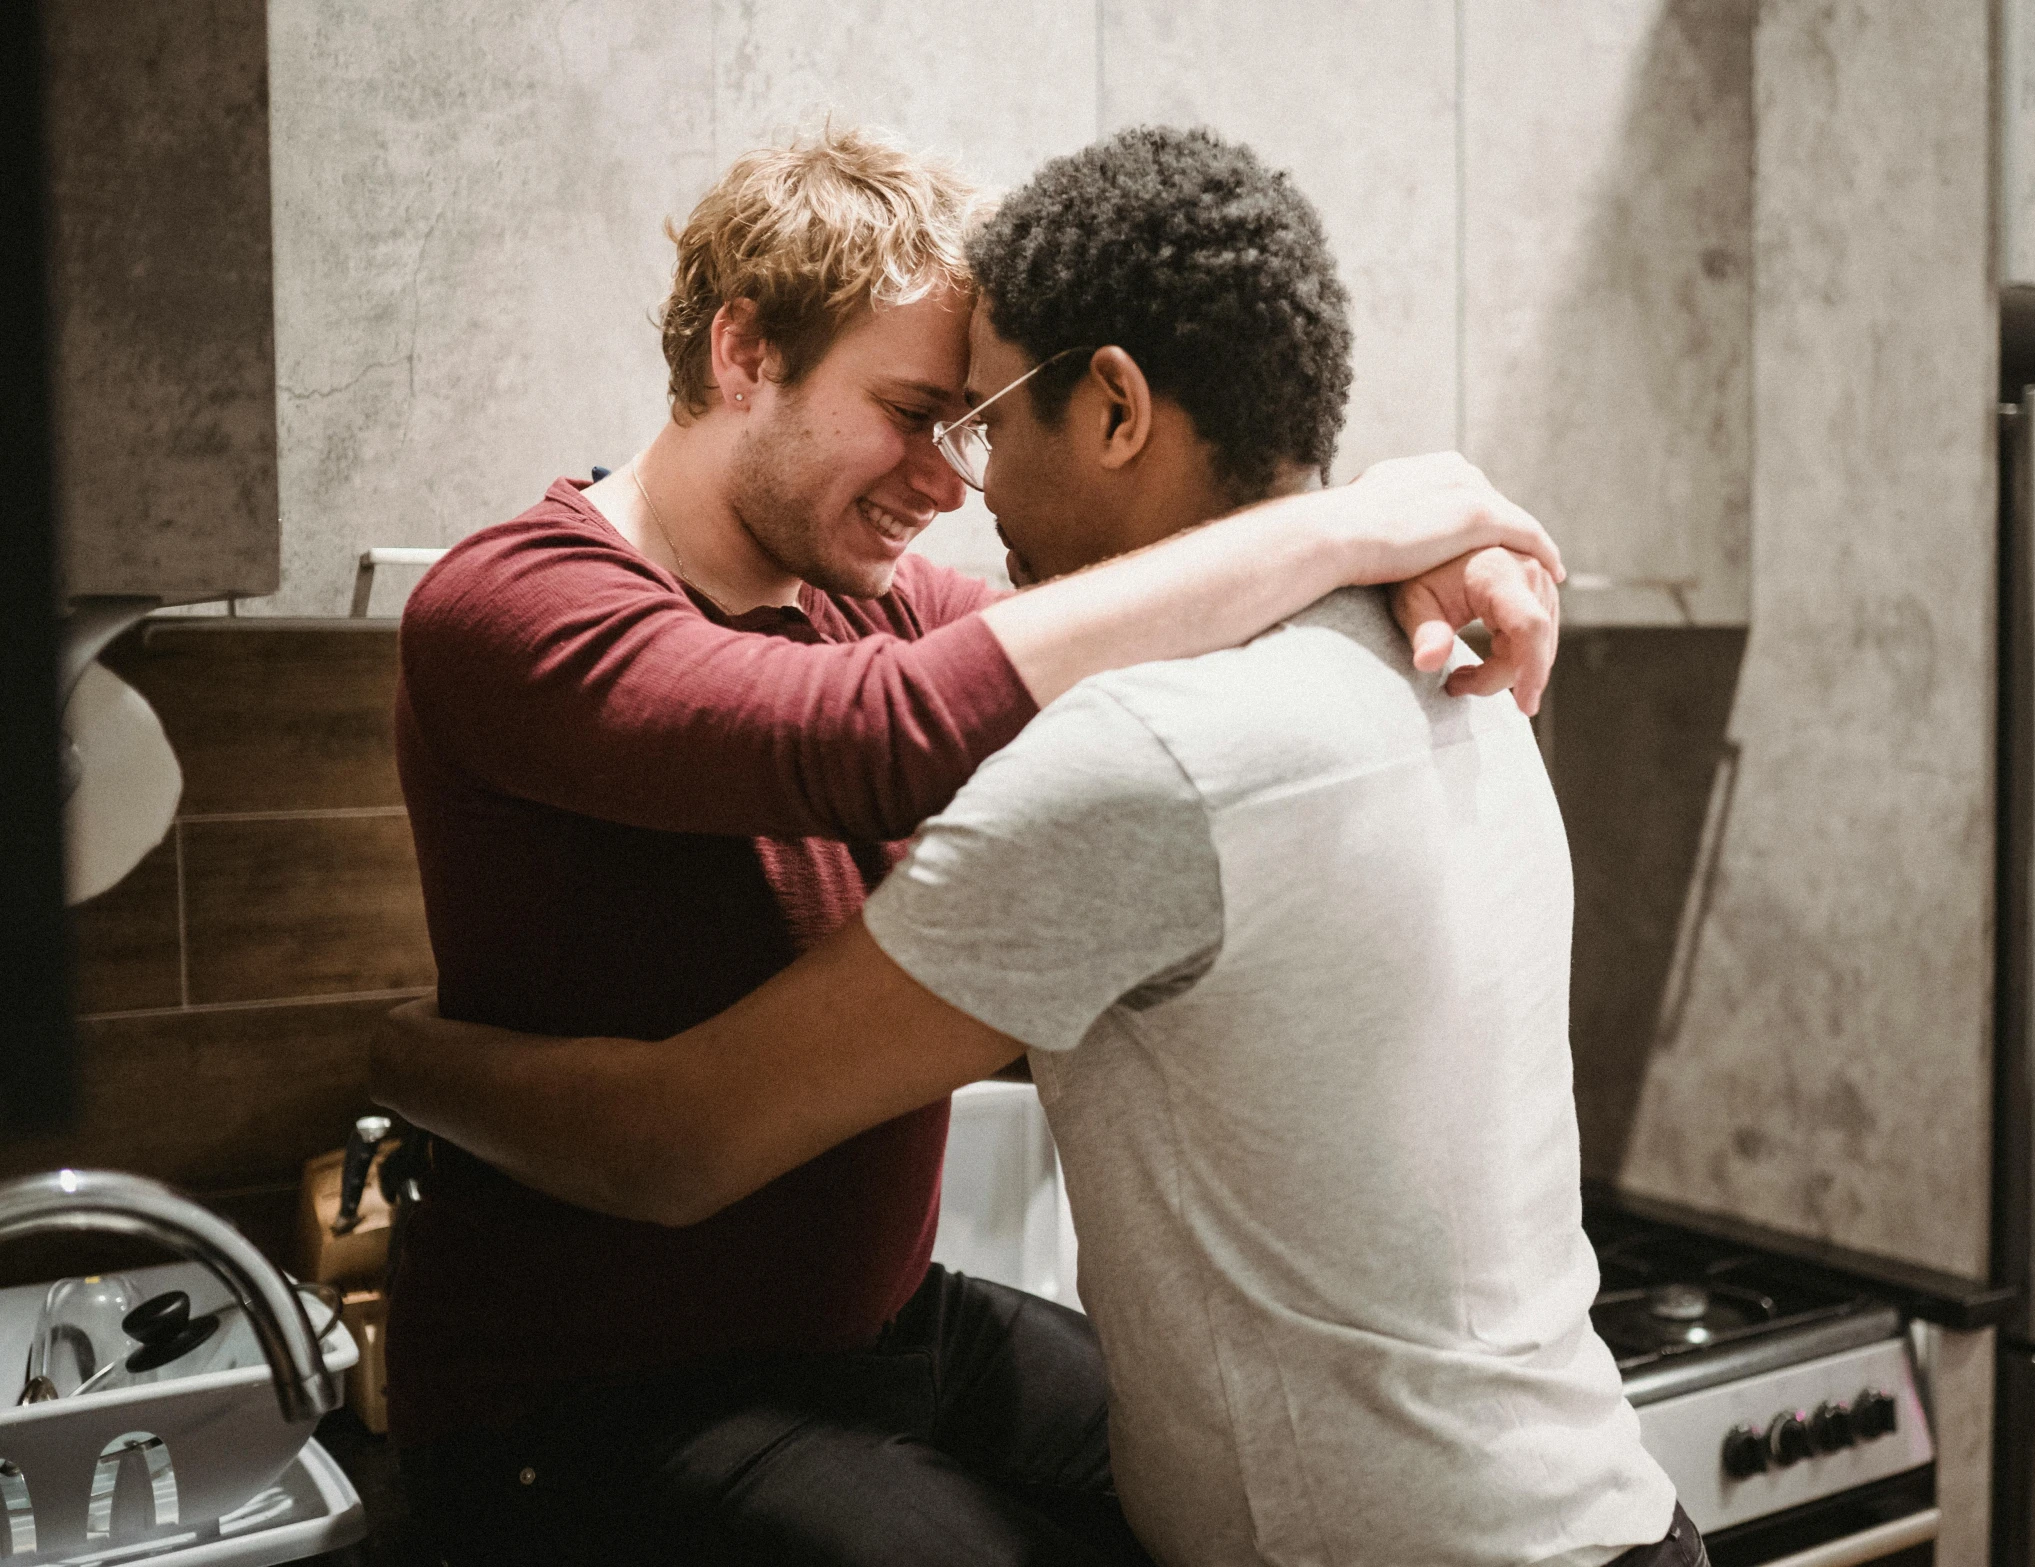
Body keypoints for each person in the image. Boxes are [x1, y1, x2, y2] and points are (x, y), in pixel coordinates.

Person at [379, 126, 1699, 1567]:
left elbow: (1068, 646)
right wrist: (1363, 523)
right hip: (591, 1392)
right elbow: (869, 732)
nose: (955, 483)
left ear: (1115, 408)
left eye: (981, 421)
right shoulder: (517, 596)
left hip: (877, 1330)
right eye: (916, 413)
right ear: (744, 352)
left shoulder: (907, 622)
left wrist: (1401, 534)